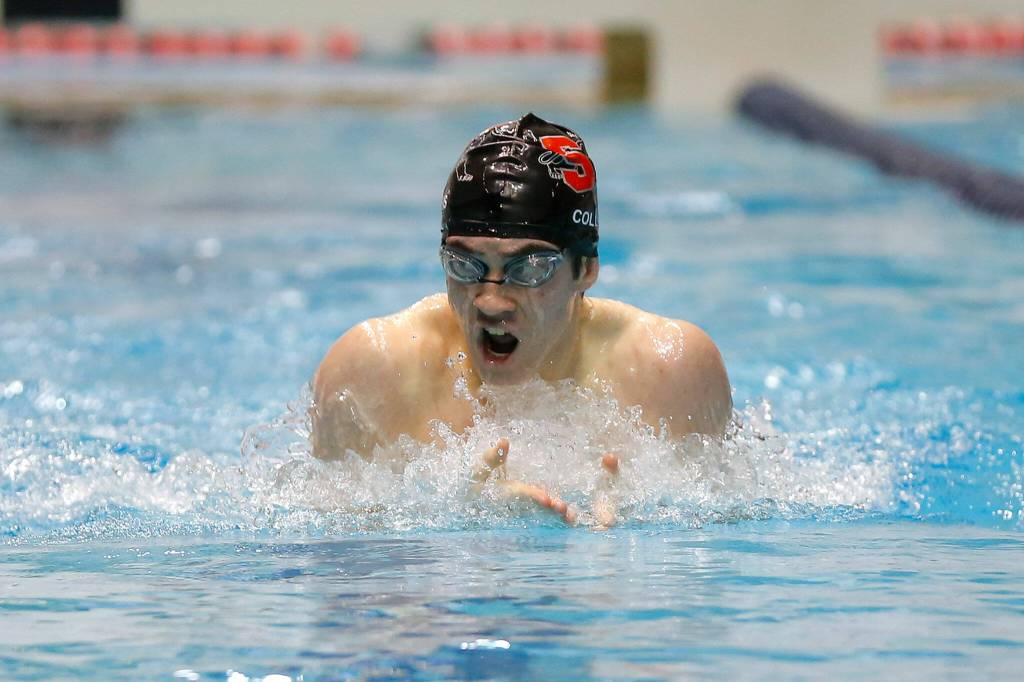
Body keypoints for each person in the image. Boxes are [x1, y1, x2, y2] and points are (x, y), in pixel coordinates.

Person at [311, 113, 732, 526]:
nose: (491, 301)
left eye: (529, 269)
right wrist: (463, 529)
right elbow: (338, 568)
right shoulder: (374, 371)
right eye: (465, 265)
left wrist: (627, 548)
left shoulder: (670, 371)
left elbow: (718, 552)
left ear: (585, 269)